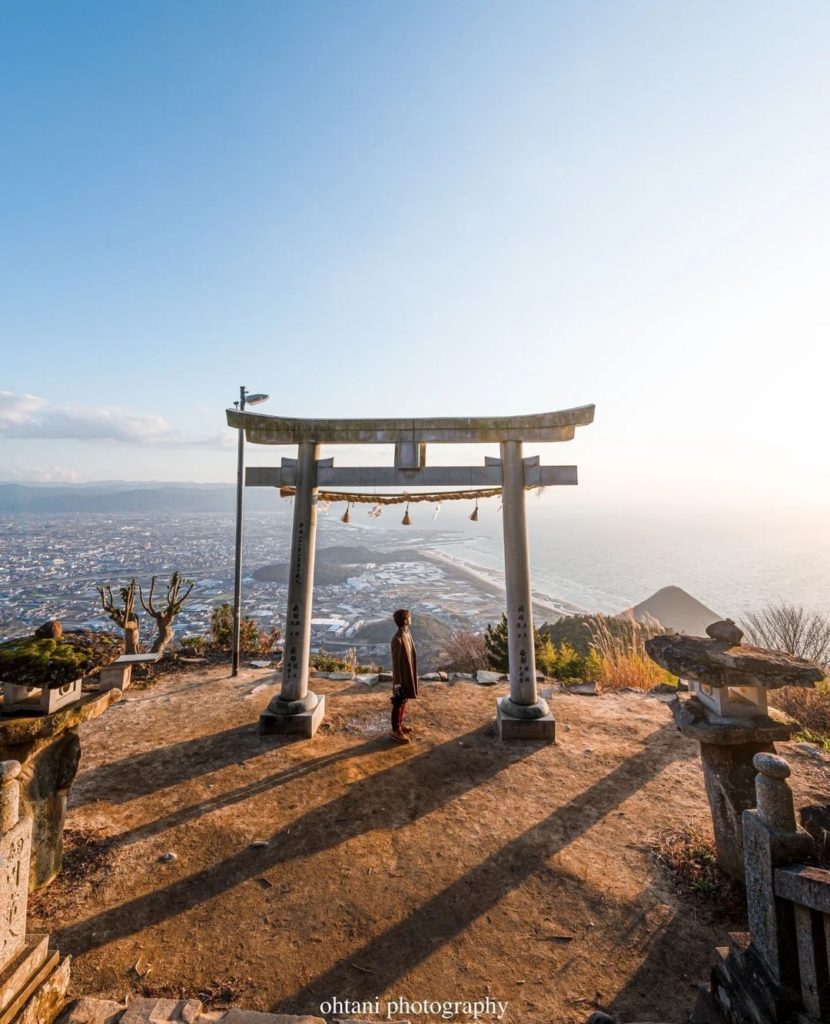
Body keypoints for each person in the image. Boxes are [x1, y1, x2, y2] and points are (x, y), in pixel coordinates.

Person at [390, 608, 418, 743]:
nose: (411, 619)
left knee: (404, 700)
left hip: (408, 674)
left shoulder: (406, 633)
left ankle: (400, 724)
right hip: (401, 677)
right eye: (410, 617)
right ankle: (395, 730)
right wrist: (398, 683)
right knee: (398, 702)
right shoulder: (398, 639)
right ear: (406, 620)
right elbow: (396, 664)